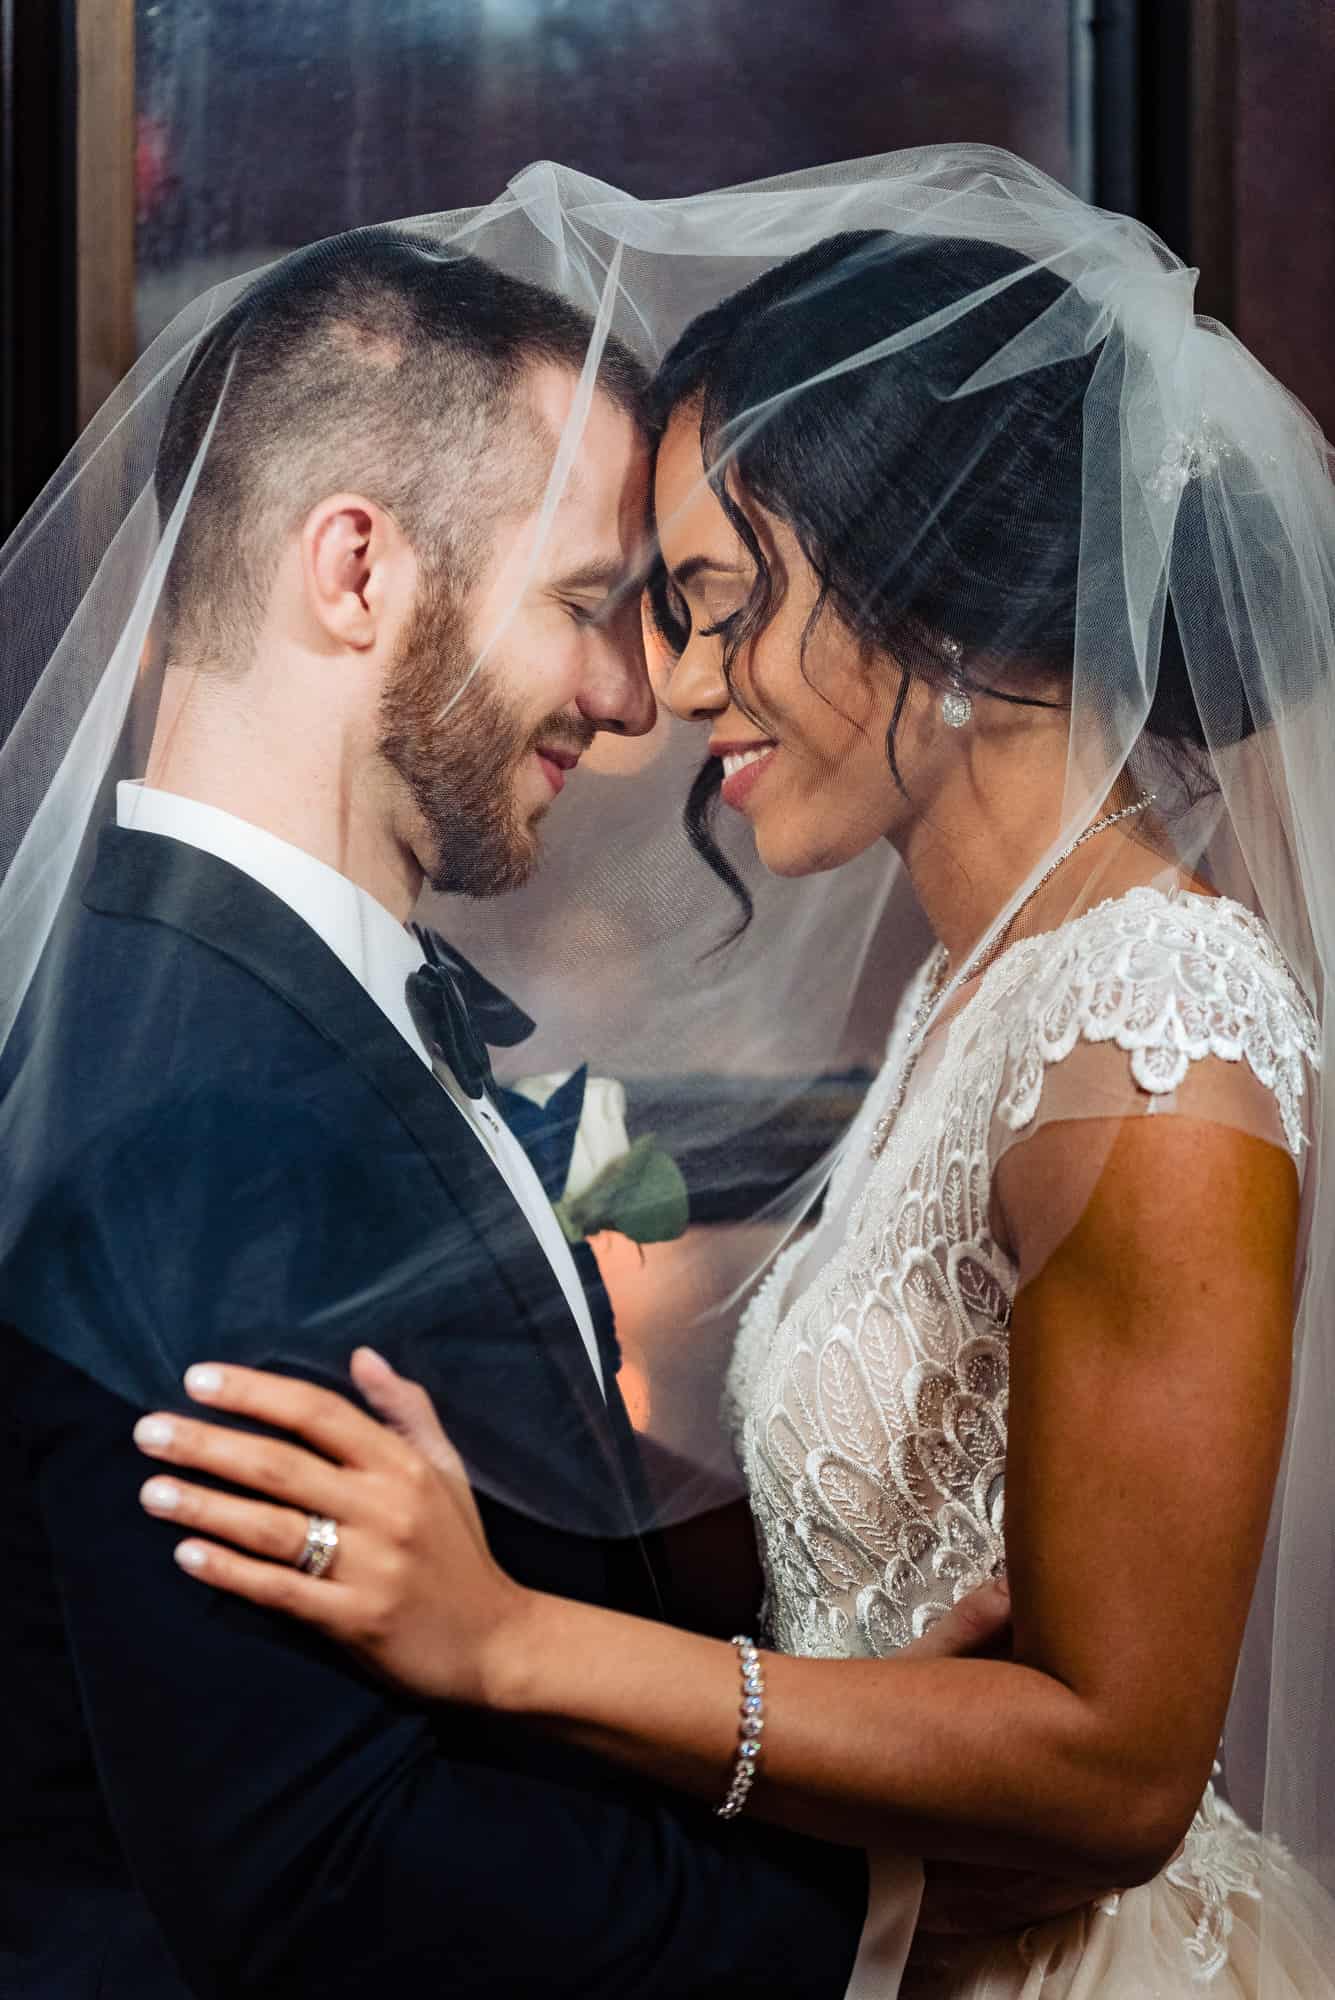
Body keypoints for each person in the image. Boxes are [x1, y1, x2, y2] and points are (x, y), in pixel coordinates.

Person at [135, 181, 1335, 1997]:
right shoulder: (975, 986)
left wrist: (514, 1642)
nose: (676, 688)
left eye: (715, 605)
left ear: (921, 578)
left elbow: (1121, 1770)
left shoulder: (1156, 1020)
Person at [0, 225, 1014, 2000]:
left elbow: (485, 1613)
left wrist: (857, 1702)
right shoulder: (206, 1111)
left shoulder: (242, 1007)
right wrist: (867, 1916)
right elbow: (326, 1866)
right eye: (584, 605)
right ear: (357, 572)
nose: (635, 697)